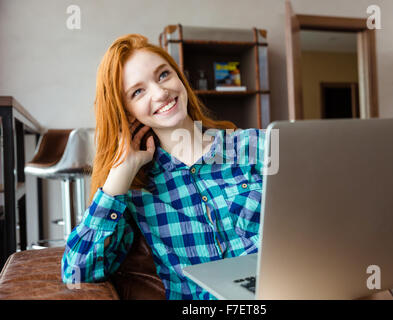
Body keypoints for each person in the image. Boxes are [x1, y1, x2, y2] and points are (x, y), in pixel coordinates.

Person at [61, 33, 266, 300]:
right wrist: (119, 176)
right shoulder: (136, 193)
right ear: (126, 113)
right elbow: (77, 272)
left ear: (179, 77)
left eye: (163, 75)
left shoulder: (255, 146)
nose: (161, 92)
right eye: (138, 91)